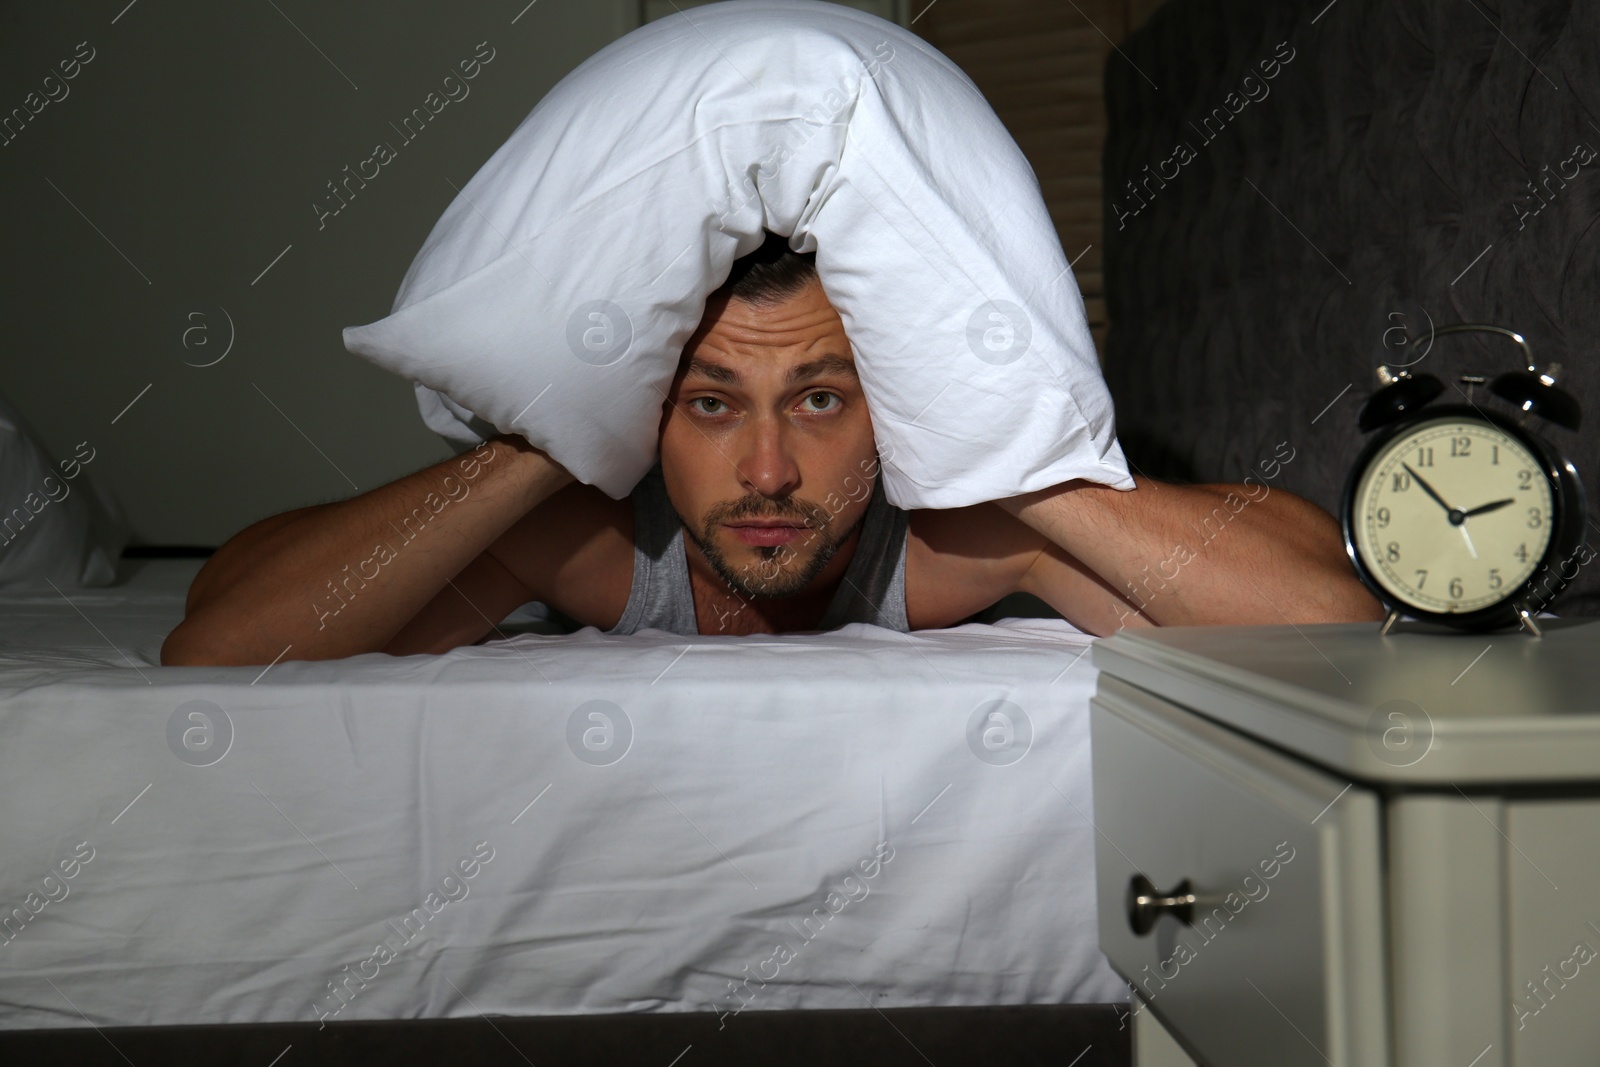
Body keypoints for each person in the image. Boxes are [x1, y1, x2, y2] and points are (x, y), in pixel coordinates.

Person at [161, 234, 1382, 666]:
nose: (764, 475)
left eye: (817, 400)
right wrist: (559, 431)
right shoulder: (584, 539)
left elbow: (1331, 616)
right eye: (705, 403)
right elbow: (218, 645)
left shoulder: (960, 535)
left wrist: (989, 445)